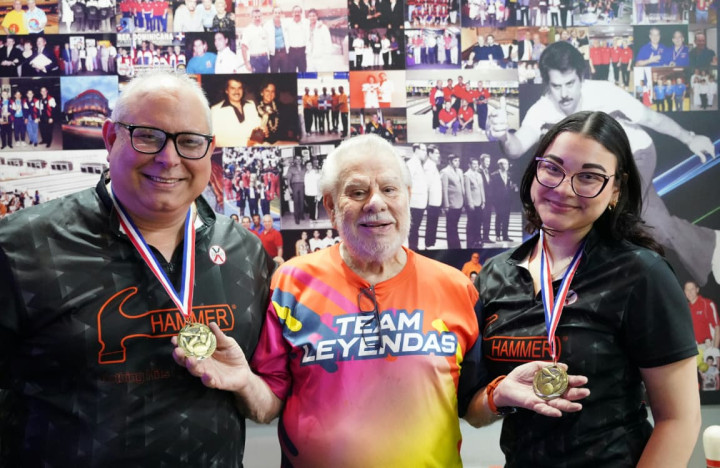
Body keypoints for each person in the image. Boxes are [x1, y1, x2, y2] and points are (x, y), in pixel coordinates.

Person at [0, 71, 274, 466]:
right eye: (147, 135)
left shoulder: (246, 253)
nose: (169, 158)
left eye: (190, 142)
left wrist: (246, 385)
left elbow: (267, 401)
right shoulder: (22, 246)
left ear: (209, 150)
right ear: (110, 138)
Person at [173, 133, 589, 466]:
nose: (377, 203)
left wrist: (499, 395)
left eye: (389, 188)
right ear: (332, 208)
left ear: (407, 196)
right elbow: (268, 407)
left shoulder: (456, 286)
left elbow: (470, 408)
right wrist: (245, 382)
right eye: (357, 192)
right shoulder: (292, 282)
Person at [471, 111, 701, 466]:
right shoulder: (495, 275)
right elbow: (475, 412)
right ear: (534, 171)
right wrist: (498, 394)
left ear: (616, 190)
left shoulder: (642, 274)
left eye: (589, 176)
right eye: (552, 168)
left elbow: (679, 419)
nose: (564, 188)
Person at [488, 40, 719, 287]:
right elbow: (516, 147)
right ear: (547, 84)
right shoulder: (542, 109)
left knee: (606, 214)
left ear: (581, 78)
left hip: (635, 157)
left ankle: (603, 285)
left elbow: (651, 118)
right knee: (657, 227)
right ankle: (713, 245)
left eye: (570, 84)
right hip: (598, 174)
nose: (564, 94)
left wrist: (690, 138)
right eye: (556, 86)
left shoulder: (605, 92)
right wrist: (503, 135)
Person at [210, 78, 259, 147]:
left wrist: (263, 131)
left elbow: (257, 127)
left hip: (256, 146)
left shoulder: (250, 105)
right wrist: (245, 143)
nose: (237, 92)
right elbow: (216, 139)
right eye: (233, 88)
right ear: (226, 90)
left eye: (239, 88)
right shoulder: (216, 110)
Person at [406, 143, 428, 250]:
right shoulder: (411, 163)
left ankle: (415, 249)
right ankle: (413, 249)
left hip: (419, 202)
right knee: (414, 229)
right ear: (416, 150)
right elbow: (407, 183)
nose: (425, 152)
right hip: (414, 202)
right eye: (423, 150)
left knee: (415, 229)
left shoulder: (418, 163)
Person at [685, 280, 719, 347]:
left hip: (707, 346)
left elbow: (717, 327)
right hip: (692, 348)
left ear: (697, 290)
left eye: (692, 289)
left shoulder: (707, 304)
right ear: (684, 292)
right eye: (687, 290)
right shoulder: (685, 308)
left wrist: (715, 351)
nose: (689, 292)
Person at [442, 154, 465, 249]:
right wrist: (446, 205)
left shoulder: (460, 171)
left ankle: (456, 245)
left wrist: (464, 202)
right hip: (451, 203)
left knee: (455, 225)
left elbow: (462, 187)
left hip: (459, 203)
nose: (458, 162)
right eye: (455, 160)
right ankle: (452, 246)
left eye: (458, 160)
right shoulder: (445, 172)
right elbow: (444, 189)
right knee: (451, 226)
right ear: (450, 161)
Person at [491, 157, 515, 241]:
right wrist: (494, 201)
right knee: (499, 218)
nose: (506, 166)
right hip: (498, 201)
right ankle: (497, 236)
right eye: (504, 164)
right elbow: (492, 189)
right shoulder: (494, 175)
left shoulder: (510, 174)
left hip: (507, 200)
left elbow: (510, 186)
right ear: (499, 165)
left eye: (507, 164)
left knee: (506, 218)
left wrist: (513, 188)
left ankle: (505, 236)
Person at [463, 158, 485, 247]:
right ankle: (470, 241)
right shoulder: (467, 175)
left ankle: (478, 240)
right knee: (471, 222)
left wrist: (483, 201)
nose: (476, 165)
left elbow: (481, 188)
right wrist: (470, 203)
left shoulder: (479, 175)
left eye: (477, 164)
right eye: (473, 164)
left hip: (479, 202)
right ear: (469, 165)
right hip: (472, 203)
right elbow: (467, 190)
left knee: (479, 222)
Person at [285, 156, 306, 224]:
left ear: (301, 159)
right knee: (296, 202)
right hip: (295, 185)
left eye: (300, 159)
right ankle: (296, 218)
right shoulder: (291, 168)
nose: (298, 160)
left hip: (303, 185)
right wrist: (289, 187)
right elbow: (288, 178)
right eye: (297, 159)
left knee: (302, 201)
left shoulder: (304, 167)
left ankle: (301, 214)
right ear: (295, 160)